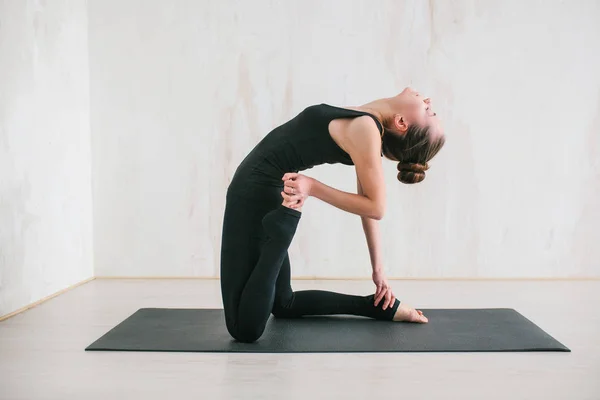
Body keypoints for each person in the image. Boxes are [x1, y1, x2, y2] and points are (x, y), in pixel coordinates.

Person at [220, 87, 445, 343]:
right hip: (267, 187)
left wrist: (312, 187)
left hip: (252, 191)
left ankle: (281, 231)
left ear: (402, 122)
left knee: (243, 329)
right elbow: (368, 203)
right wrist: (378, 271)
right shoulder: (368, 124)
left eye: (429, 111)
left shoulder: (366, 129)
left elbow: (375, 208)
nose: (428, 100)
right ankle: (374, 307)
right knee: (284, 304)